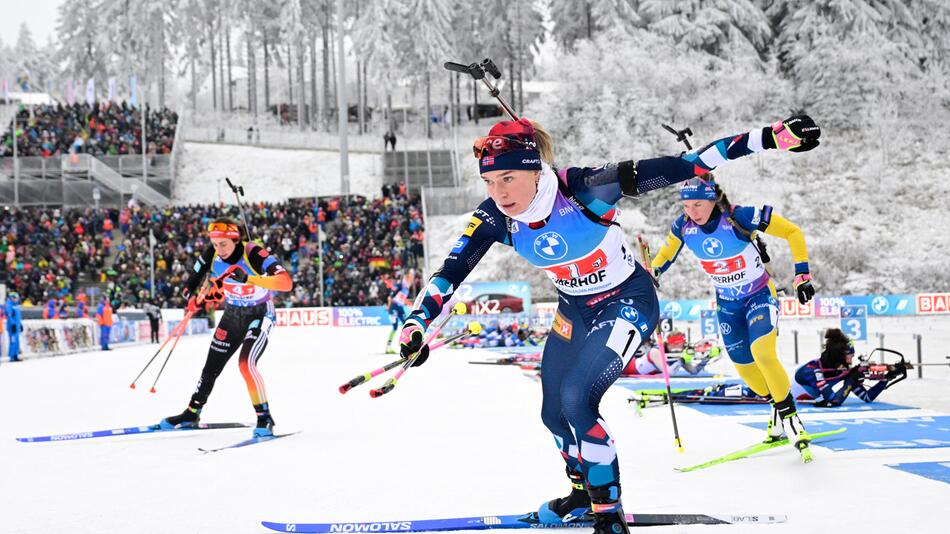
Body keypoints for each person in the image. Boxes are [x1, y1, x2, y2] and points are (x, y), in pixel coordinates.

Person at [396, 115, 820, 532]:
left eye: (507, 179)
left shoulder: (585, 189)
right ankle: (582, 493)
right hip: (574, 310)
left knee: (578, 399)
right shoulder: (495, 217)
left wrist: (769, 137)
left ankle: (608, 513)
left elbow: (687, 164)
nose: (498, 192)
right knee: (553, 413)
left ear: (532, 169)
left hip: (626, 302)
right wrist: (417, 324)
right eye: (489, 182)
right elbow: (449, 272)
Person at [651, 174, 817, 460]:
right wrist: (652, 271)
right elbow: (666, 254)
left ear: (713, 199)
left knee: (763, 354)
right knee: (747, 371)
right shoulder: (684, 226)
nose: (693, 212)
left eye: (699, 205)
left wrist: (802, 275)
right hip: (728, 304)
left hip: (759, 295)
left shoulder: (740, 217)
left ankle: (791, 418)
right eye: (686, 206)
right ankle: (777, 409)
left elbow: (793, 232)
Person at [159, 218, 293, 438]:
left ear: (235, 239)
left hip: (259, 314)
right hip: (232, 315)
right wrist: (191, 297)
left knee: (245, 364)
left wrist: (250, 277)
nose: (218, 249)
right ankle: (192, 413)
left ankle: (264, 417)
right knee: (211, 366)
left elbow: (286, 283)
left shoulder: (253, 253)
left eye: (223, 244)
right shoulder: (211, 254)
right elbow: (190, 283)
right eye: (214, 244)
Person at [791, 328, 908, 406]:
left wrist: (886, 378)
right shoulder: (813, 370)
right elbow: (833, 401)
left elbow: (867, 397)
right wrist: (851, 381)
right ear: (839, 356)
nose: (851, 360)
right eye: (849, 356)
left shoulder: (842, 369)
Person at [621, 337, 720, 377]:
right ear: (673, 345)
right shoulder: (656, 352)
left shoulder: (677, 353)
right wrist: (682, 360)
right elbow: (669, 373)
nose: (684, 346)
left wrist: (707, 357)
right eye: (681, 344)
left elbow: (694, 371)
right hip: (627, 366)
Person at [4, 292, 22, 362]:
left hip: (17, 326)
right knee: (13, 341)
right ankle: (11, 356)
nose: (16, 299)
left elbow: (18, 316)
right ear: (11, 298)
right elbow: (9, 316)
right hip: (12, 327)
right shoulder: (9, 305)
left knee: (17, 341)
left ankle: (15, 355)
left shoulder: (16, 305)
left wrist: (20, 324)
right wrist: (13, 324)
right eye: (15, 298)